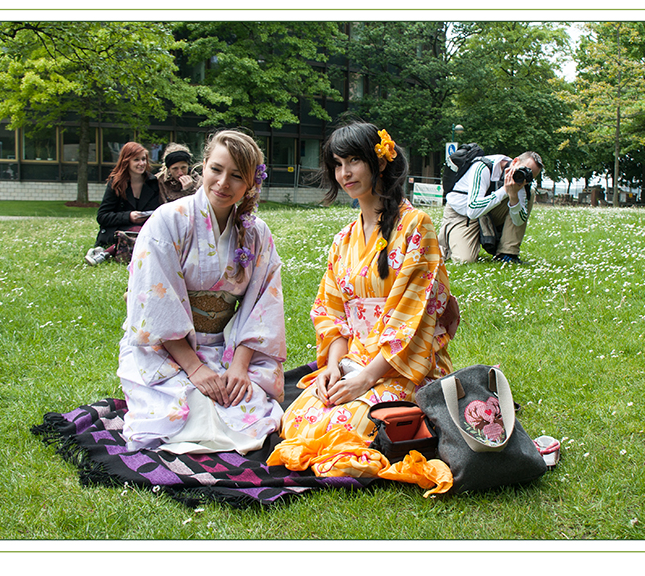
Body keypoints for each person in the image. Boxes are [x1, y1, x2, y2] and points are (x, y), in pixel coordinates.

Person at [268, 122, 458, 475]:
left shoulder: (416, 225)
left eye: (354, 160)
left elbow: (413, 319)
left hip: (404, 366)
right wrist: (333, 368)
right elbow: (332, 313)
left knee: (352, 424)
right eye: (338, 164)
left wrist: (368, 377)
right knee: (297, 417)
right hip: (354, 361)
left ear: (380, 162)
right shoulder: (343, 239)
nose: (345, 173)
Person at [117, 129, 286, 454]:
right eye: (216, 170)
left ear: (251, 182)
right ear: (203, 166)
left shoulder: (256, 233)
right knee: (185, 408)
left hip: (226, 345)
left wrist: (238, 367)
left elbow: (263, 304)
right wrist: (195, 369)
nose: (224, 183)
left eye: (237, 176)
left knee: (242, 401)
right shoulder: (167, 222)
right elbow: (155, 304)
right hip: (166, 348)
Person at [437, 151, 543, 264]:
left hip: (487, 212)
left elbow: (518, 222)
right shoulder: (483, 167)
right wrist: (505, 191)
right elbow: (473, 210)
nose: (523, 176)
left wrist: (513, 197)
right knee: (464, 260)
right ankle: (446, 241)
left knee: (529, 193)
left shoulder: (522, 182)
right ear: (515, 161)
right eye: (523, 170)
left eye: (529, 176)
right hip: (462, 213)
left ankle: (507, 254)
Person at [85, 142, 162, 265]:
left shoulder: (153, 183)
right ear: (126, 161)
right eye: (136, 160)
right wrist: (129, 216)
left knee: (145, 233)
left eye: (143, 159)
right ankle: (104, 253)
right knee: (136, 232)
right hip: (118, 230)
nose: (141, 163)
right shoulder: (116, 184)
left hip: (145, 230)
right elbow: (102, 216)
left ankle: (105, 253)